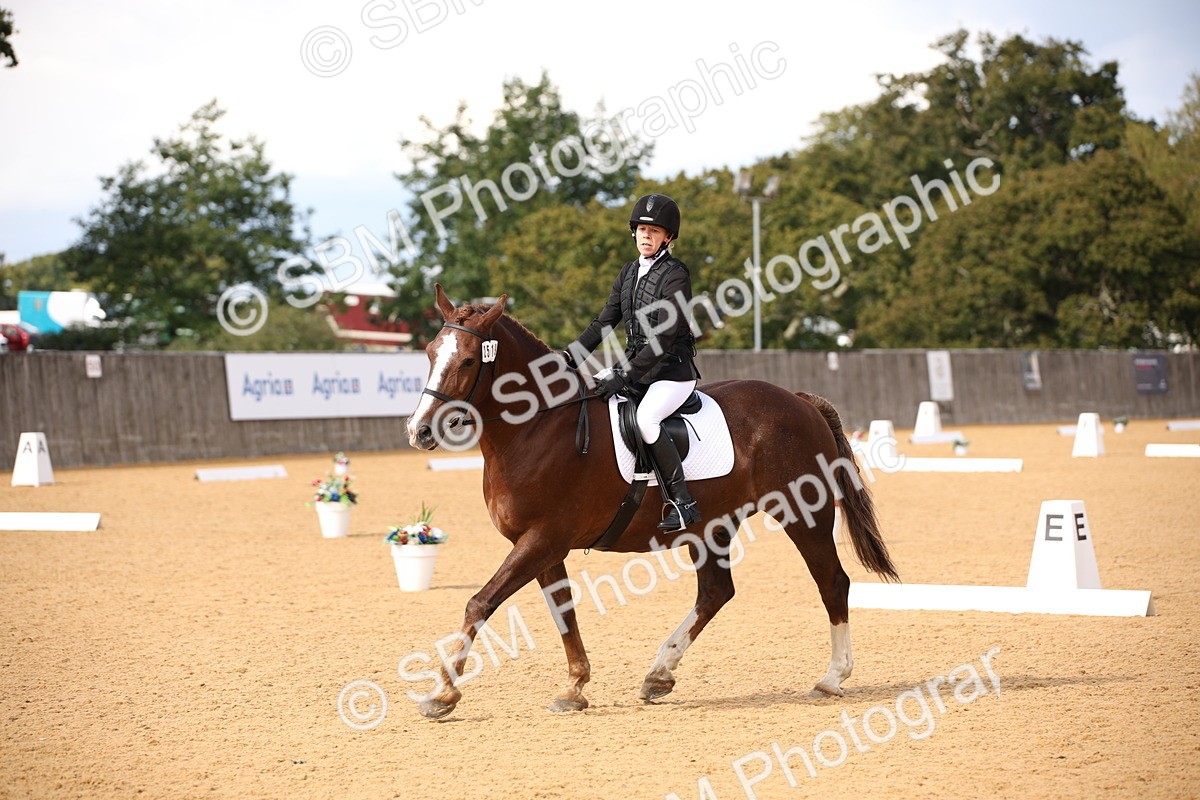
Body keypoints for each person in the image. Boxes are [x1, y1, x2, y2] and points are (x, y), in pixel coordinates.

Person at [563, 193, 701, 532]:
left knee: (646, 420)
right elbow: (604, 322)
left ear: (667, 237)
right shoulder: (628, 272)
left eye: (654, 231)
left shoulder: (676, 275)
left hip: (672, 372)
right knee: (591, 400)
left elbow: (663, 339)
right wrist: (568, 357)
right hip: (636, 368)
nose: (646, 236)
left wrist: (623, 376)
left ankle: (683, 503)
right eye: (641, 229)